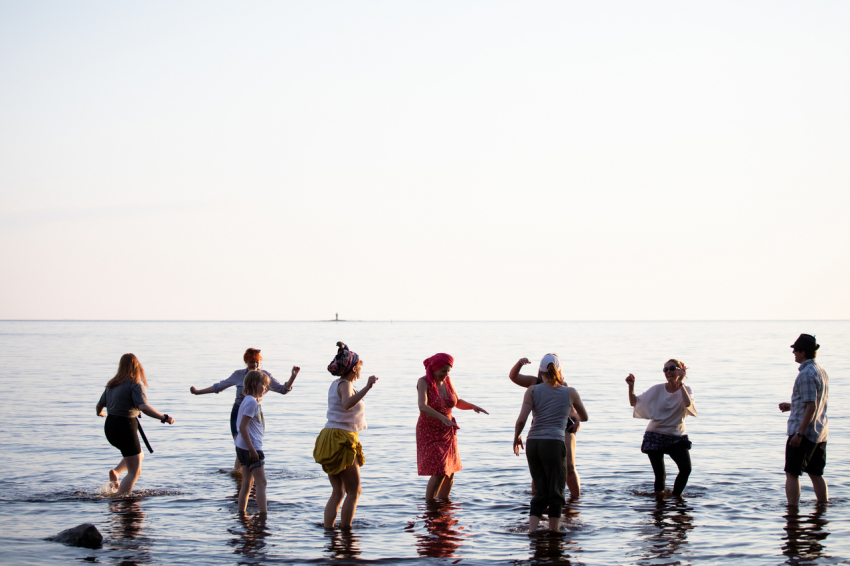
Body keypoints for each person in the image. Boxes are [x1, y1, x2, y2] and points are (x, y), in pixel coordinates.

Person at [189, 348, 300, 474]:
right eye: (252, 362)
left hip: (255, 413)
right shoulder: (238, 374)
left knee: (253, 443)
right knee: (241, 443)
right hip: (238, 413)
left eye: (257, 362)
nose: (255, 365)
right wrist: (198, 392)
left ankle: (239, 474)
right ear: (246, 361)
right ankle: (240, 475)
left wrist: (293, 377)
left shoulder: (264, 376)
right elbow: (219, 386)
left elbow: (283, 390)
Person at [513, 354, 588, 534]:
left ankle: (531, 532)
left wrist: (516, 437)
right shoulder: (568, 391)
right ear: (559, 369)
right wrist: (574, 418)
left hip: (533, 442)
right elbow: (584, 416)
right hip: (554, 442)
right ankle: (555, 532)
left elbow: (521, 420)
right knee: (556, 491)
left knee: (540, 491)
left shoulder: (532, 390)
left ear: (541, 370)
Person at [313, 342, 378, 529]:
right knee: (354, 491)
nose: (360, 371)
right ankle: (347, 533)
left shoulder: (336, 384)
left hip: (331, 435)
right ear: (354, 368)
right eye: (359, 367)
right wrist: (368, 387)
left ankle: (329, 532)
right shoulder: (346, 384)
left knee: (338, 491)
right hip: (341, 438)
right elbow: (347, 404)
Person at [96, 353, 175, 495]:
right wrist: (164, 417)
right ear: (137, 366)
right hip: (125, 426)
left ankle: (116, 472)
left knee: (139, 455)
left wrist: (101, 413)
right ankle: (119, 498)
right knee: (135, 472)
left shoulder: (111, 384)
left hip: (110, 427)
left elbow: (99, 406)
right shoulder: (135, 384)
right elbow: (143, 407)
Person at [416, 353, 488, 501]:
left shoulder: (448, 381)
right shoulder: (423, 382)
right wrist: (442, 418)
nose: (446, 374)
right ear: (434, 369)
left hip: (447, 430)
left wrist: (473, 406)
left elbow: (456, 401)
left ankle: (444, 502)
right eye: (443, 371)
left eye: (448, 371)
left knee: (451, 470)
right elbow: (422, 406)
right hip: (429, 430)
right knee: (440, 470)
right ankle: (430, 506)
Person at [625, 359, 696, 496]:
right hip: (655, 435)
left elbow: (688, 404)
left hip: (676, 437)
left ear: (680, 370)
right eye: (665, 369)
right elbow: (634, 402)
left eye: (671, 368)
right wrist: (631, 386)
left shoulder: (686, 390)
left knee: (686, 469)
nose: (668, 372)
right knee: (660, 474)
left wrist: (680, 383)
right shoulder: (657, 389)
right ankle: (659, 507)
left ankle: (676, 498)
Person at [779, 334, 829, 506]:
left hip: (804, 433)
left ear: (802, 352)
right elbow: (814, 402)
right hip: (820, 432)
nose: (793, 353)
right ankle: (823, 507)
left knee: (792, 473)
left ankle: (792, 510)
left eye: (795, 350)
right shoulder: (820, 371)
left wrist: (799, 433)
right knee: (816, 473)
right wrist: (791, 405)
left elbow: (812, 407)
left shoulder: (806, 374)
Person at [235, 370, 270, 514]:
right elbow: (243, 427)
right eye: (264, 385)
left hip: (241, 447)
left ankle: (241, 513)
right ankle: (263, 516)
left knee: (247, 484)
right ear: (255, 384)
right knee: (262, 483)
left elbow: (242, 427)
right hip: (251, 447)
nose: (266, 388)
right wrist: (252, 449)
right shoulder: (251, 403)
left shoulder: (248, 400)